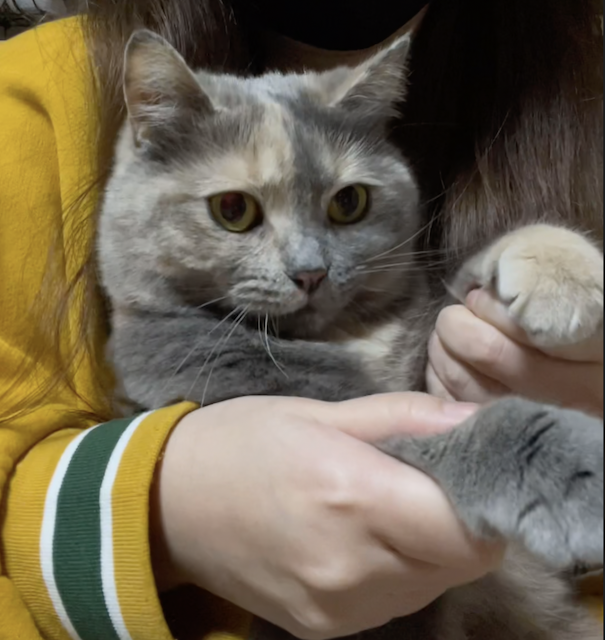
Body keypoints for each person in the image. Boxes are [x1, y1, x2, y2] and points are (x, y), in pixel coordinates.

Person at [0, 2, 602, 639]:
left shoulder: (576, 98)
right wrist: (154, 511)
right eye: (236, 210)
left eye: (347, 203)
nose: (307, 266)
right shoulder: (35, 99)